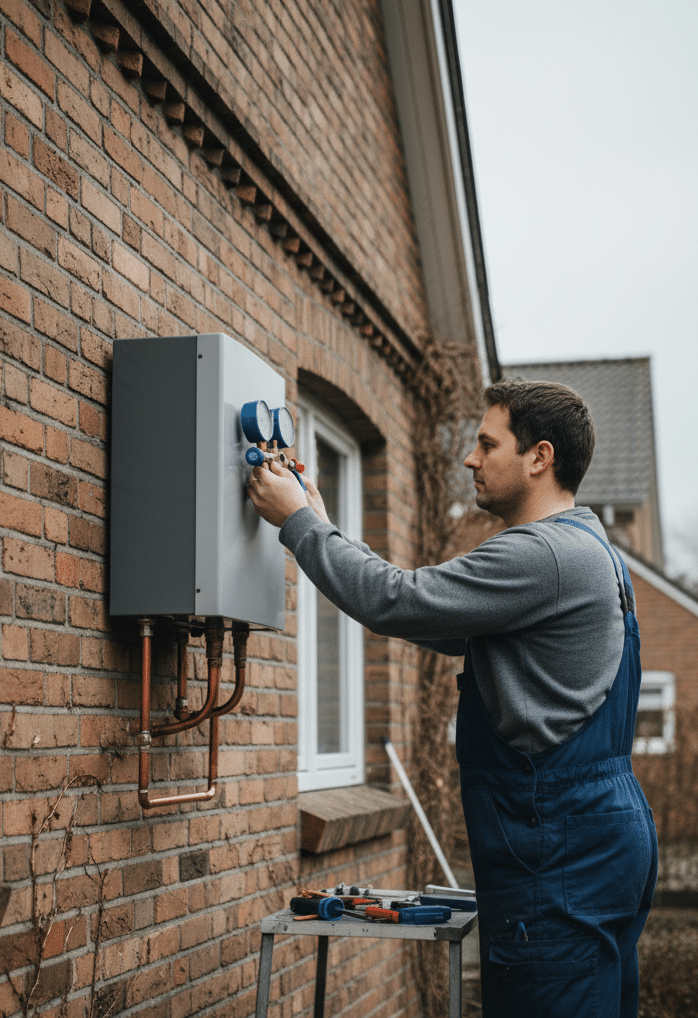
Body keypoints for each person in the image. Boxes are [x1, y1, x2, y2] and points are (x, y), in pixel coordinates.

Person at [247, 379, 657, 1018]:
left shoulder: (542, 555)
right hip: (596, 837)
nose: (471, 458)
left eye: (487, 443)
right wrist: (322, 525)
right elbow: (429, 619)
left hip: (557, 852)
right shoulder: (590, 550)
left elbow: (397, 600)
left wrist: (296, 524)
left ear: (539, 457)